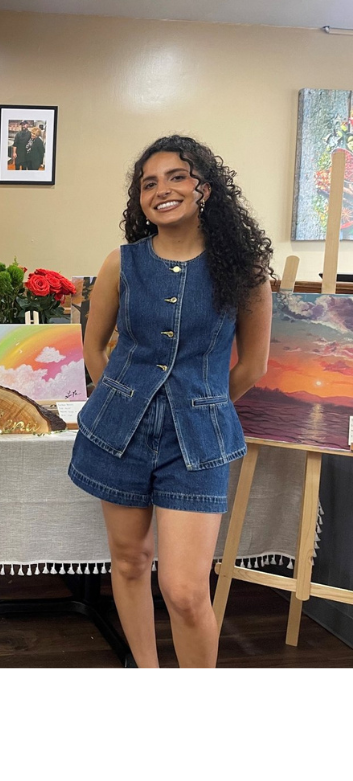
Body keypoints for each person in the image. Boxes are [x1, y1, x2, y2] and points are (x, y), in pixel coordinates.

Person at [67, 135, 274, 668]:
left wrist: (203, 405)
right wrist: (117, 398)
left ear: (205, 188)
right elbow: (93, 345)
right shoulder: (122, 263)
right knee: (131, 561)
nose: (162, 189)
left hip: (198, 443)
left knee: (184, 591)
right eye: (148, 182)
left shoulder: (245, 270)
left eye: (177, 176)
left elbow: (253, 365)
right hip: (119, 436)